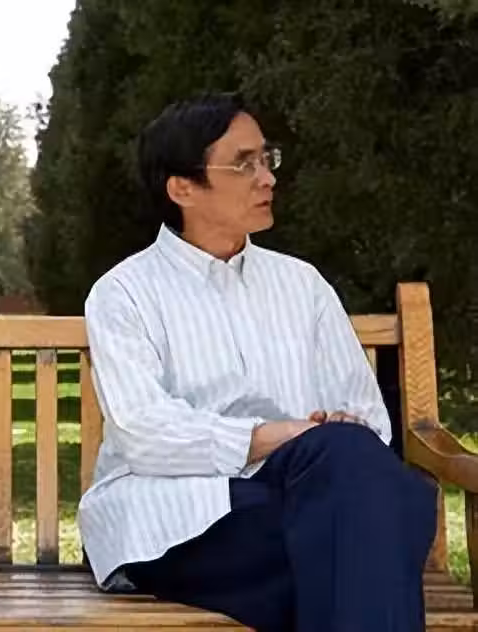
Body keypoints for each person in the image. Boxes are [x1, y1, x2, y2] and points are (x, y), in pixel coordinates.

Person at [78, 93, 437, 631]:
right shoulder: (124, 293)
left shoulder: (302, 284)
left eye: (267, 159)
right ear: (182, 189)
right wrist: (282, 435)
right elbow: (145, 434)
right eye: (243, 164)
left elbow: (366, 418)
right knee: (372, 529)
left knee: (347, 512)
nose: (267, 178)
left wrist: (339, 429)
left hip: (308, 495)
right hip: (177, 519)